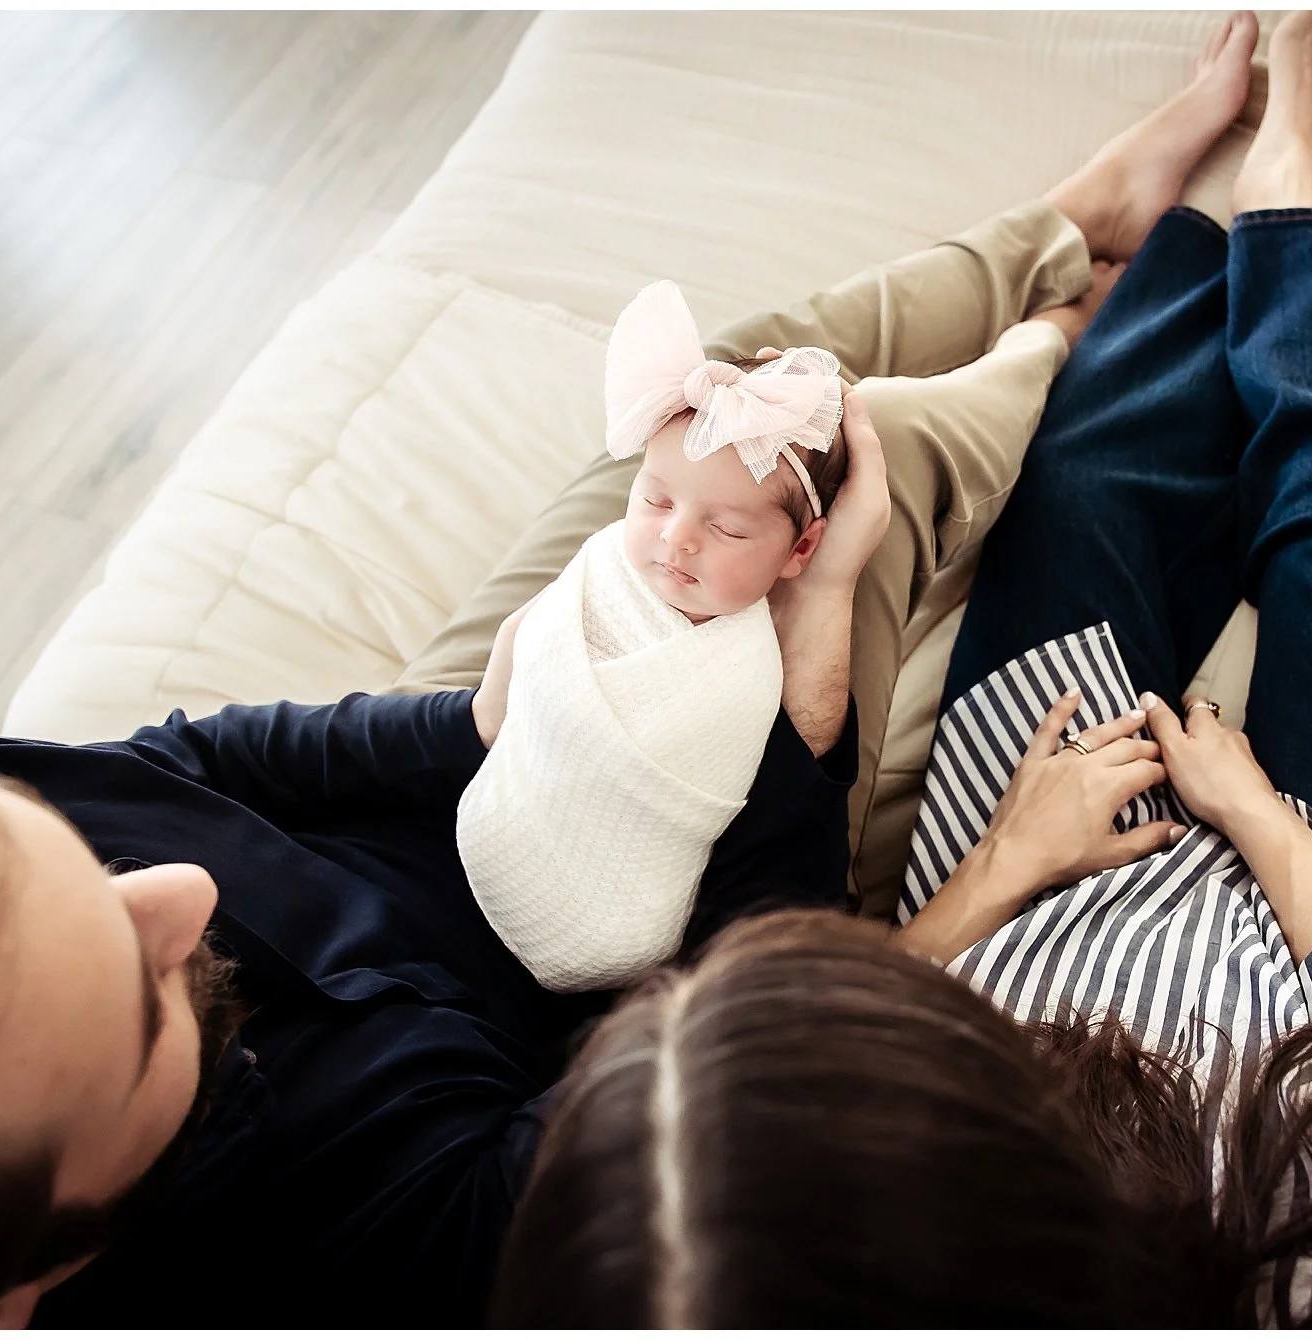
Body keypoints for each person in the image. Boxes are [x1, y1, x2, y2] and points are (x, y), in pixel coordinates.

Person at [0, 34, 1238, 1327]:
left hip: (482, 754)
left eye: (67, 855)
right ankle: (1063, 332)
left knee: (711, 417)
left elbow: (188, 768)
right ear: (12, 1304)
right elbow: (721, 1042)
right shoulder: (395, 1253)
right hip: (668, 891)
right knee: (877, 460)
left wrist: (481, 724)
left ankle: (1067, 219)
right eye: (137, 999)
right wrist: (807, 665)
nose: (178, 891)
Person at [489, 11, 1312, 1326]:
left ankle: (1169, 245)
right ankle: (1296, 206)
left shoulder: (730, 1202)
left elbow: (850, 994)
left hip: (1038, 874)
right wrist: (1254, 815)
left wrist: (1008, 860)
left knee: (1086, 477)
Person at [459, 277, 1115, 992]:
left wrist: (486, 703)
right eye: (656, 501)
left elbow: (341, 745)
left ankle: (1056, 238)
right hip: (589, 900)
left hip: (441, 745)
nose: (675, 541)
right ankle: (1048, 327)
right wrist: (826, 587)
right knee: (884, 438)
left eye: (720, 528)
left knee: (718, 378)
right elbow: (765, 969)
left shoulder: (658, 535)